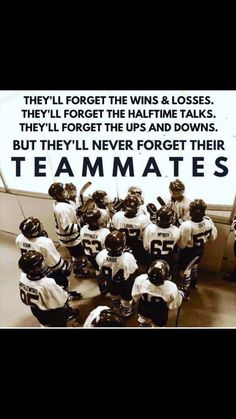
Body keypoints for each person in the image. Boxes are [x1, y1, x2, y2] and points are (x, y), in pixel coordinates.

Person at [18, 251, 80, 327]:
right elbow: (62, 300)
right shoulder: (47, 283)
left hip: (36, 309)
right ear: (34, 269)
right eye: (40, 264)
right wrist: (66, 294)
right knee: (59, 324)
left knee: (45, 324)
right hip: (52, 313)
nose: (43, 265)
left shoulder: (23, 277)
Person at [16, 217, 71, 289]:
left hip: (30, 269)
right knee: (63, 278)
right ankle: (64, 292)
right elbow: (55, 263)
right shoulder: (44, 242)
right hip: (43, 269)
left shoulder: (19, 238)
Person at [48, 182, 89, 277]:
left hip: (68, 237)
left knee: (75, 253)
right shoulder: (61, 208)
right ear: (57, 195)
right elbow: (67, 228)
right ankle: (78, 271)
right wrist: (81, 225)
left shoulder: (59, 202)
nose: (66, 192)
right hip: (71, 238)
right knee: (79, 254)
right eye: (63, 191)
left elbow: (69, 215)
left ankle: (76, 263)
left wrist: (77, 212)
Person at [132, 260, 188, 327]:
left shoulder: (140, 279)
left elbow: (135, 296)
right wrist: (181, 294)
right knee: (158, 325)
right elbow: (173, 305)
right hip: (159, 313)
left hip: (144, 308)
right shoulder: (171, 287)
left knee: (143, 320)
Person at [96, 230, 138, 317]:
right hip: (125, 283)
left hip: (110, 281)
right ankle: (126, 311)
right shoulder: (127, 257)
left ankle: (116, 307)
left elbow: (100, 267)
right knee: (127, 298)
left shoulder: (101, 255)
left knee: (114, 294)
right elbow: (133, 270)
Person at [178, 199, 217, 288]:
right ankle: (194, 283)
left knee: (184, 270)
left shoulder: (187, 225)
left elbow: (182, 245)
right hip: (200, 249)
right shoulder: (208, 221)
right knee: (194, 265)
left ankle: (184, 287)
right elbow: (213, 237)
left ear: (191, 211)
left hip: (189, 251)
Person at [112, 195, 151, 265]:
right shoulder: (143, 219)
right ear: (137, 207)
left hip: (122, 245)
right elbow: (147, 235)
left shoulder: (117, 216)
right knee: (140, 263)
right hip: (138, 247)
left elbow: (114, 232)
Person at [143, 206, 180, 277]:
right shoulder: (175, 230)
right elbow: (175, 244)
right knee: (166, 276)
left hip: (152, 257)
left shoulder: (150, 228)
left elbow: (146, 247)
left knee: (151, 275)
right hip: (167, 258)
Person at [80, 208, 110, 274]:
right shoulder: (105, 232)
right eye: (99, 218)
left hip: (89, 255)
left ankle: (97, 271)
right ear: (94, 222)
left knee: (96, 267)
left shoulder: (83, 229)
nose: (101, 219)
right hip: (101, 256)